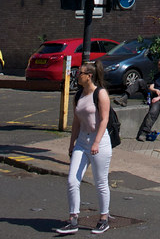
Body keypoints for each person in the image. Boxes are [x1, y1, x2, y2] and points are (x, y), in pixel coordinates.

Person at [55, 61, 112, 235]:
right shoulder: (78, 95)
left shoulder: (100, 94)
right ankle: (73, 219)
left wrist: (96, 142)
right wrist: (72, 144)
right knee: (73, 180)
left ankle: (104, 218)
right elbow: (76, 121)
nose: (77, 75)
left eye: (80, 73)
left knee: (100, 182)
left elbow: (104, 120)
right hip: (81, 142)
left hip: (99, 142)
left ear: (89, 76)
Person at [114, 57, 160, 142]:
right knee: (139, 81)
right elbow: (151, 87)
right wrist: (156, 90)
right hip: (152, 95)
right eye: (159, 64)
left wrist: (158, 98)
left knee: (153, 111)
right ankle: (124, 98)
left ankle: (144, 133)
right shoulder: (157, 75)